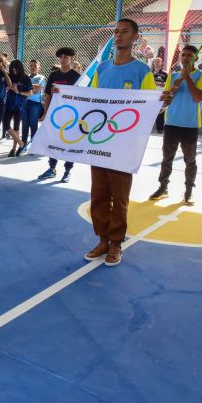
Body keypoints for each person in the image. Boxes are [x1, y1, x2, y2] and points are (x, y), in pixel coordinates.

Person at [84, 19, 158, 267]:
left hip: (124, 146)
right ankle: (102, 239)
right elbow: (89, 100)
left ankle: (116, 243)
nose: (119, 36)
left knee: (120, 197)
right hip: (100, 142)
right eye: (116, 32)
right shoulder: (102, 69)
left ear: (135, 37)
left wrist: (162, 101)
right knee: (99, 195)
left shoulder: (142, 72)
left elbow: (151, 107)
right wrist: (65, 96)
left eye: (124, 32)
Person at [149, 46, 202, 205]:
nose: (186, 58)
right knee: (167, 158)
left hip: (190, 125)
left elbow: (198, 98)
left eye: (190, 55)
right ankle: (163, 188)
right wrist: (175, 85)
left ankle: (188, 192)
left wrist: (187, 78)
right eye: (184, 55)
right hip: (171, 123)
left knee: (190, 160)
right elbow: (166, 98)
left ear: (196, 58)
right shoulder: (173, 75)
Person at [38, 47, 81, 182]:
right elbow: (48, 96)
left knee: (69, 143)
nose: (63, 60)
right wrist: (45, 113)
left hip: (70, 115)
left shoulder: (76, 76)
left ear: (71, 58)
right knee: (53, 141)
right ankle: (52, 168)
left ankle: (67, 171)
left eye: (66, 57)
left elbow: (79, 98)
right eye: (61, 57)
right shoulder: (53, 75)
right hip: (54, 114)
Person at [3, 60, 32, 157]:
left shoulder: (26, 78)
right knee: (6, 124)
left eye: (16, 69)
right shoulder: (9, 76)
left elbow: (30, 93)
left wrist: (18, 92)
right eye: (12, 69)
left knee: (16, 126)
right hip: (9, 104)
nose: (14, 71)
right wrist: (7, 89)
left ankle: (14, 149)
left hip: (20, 105)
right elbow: (4, 87)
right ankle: (21, 143)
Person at [19, 59, 45, 154]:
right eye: (31, 65)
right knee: (25, 124)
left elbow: (36, 89)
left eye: (35, 65)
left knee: (33, 124)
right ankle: (23, 145)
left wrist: (27, 85)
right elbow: (22, 87)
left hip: (35, 103)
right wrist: (29, 86)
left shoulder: (41, 77)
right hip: (25, 102)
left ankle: (34, 146)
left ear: (39, 67)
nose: (33, 67)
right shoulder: (26, 76)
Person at [152, 57, 168, 133]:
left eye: (159, 62)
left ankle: (159, 129)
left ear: (162, 63)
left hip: (160, 96)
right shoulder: (149, 72)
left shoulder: (165, 74)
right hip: (150, 96)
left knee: (160, 113)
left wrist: (159, 83)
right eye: (156, 61)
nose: (157, 63)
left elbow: (168, 84)